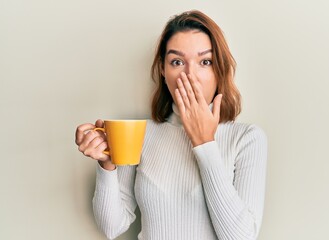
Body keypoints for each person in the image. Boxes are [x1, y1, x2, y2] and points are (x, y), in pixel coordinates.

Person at [75, 10, 267, 240]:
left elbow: (241, 237)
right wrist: (107, 164)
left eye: (205, 62)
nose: (190, 75)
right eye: (177, 62)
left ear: (219, 70)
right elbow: (112, 226)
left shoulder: (247, 138)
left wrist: (204, 142)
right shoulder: (141, 134)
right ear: (163, 71)